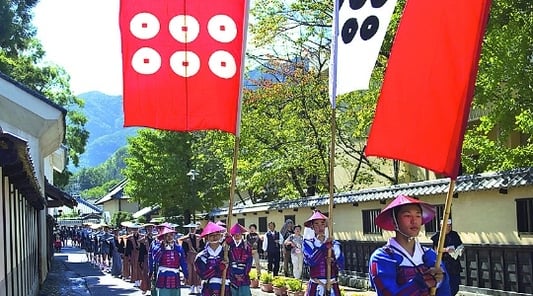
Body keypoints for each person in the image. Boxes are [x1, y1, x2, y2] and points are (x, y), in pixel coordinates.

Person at [369, 194, 450, 296]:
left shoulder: (430, 255)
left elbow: (445, 292)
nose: (414, 221)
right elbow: (387, 293)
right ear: (394, 222)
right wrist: (420, 283)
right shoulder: (382, 257)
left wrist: (441, 279)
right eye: (407, 216)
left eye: (418, 215)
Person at [303, 211, 344, 296]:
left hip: (332, 285)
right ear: (312, 226)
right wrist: (324, 246)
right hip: (316, 286)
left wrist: (333, 260)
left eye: (322, 223)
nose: (320, 227)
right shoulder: (308, 243)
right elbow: (311, 261)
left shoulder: (334, 243)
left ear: (326, 225)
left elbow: (341, 263)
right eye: (316, 224)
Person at [194, 221, 230, 296]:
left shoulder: (227, 253)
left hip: (225, 287)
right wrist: (218, 268)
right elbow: (203, 275)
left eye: (217, 235)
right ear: (207, 237)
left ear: (221, 236)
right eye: (211, 235)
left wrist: (232, 243)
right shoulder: (201, 256)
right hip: (209, 288)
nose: (214, 237)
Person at [151, 227, 188, 296]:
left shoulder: (178, 248)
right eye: (167, 235)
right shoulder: (158, 247)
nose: (169, 237)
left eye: (171, 235)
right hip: (163, 275)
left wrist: (186, 275)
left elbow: (183, 262)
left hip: (175, 276)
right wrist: (162, 248)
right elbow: (155, 259)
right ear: (163, 237)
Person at [431, 219, 464, 296]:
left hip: (454, 262)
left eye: (450, 226)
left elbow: (460, 245)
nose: (448, 228)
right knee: (446, 284)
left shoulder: (454, 234)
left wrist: (461, 250)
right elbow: (436, 250)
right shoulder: (438, 236)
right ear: (441, 226)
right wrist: (446, 249)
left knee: (455, 284)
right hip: (443, 262)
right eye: (446, 226)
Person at [227, 223, 253, 296]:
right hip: (232, 274)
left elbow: (249, 261)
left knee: (244, 292)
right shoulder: (228, 246)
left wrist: (244, 274)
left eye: (239, 234)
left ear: (242, 234)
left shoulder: (247, 246)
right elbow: (227, 261)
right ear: (232, 235)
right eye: (235, 234)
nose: (237, 236)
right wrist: (232, 274)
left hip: (243, 274)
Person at [180, 222, 204, 295]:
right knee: (190, 272)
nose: (193, 230)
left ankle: (198, 287)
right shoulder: (185, 239)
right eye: (191, 229)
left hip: (197, 256)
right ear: (189, 229)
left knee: (197, 272)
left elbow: (203, 247)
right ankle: (192, 288)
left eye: (194, 228)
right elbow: (184, 249)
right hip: (189, 257)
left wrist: (199, 251)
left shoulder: (199, 237)